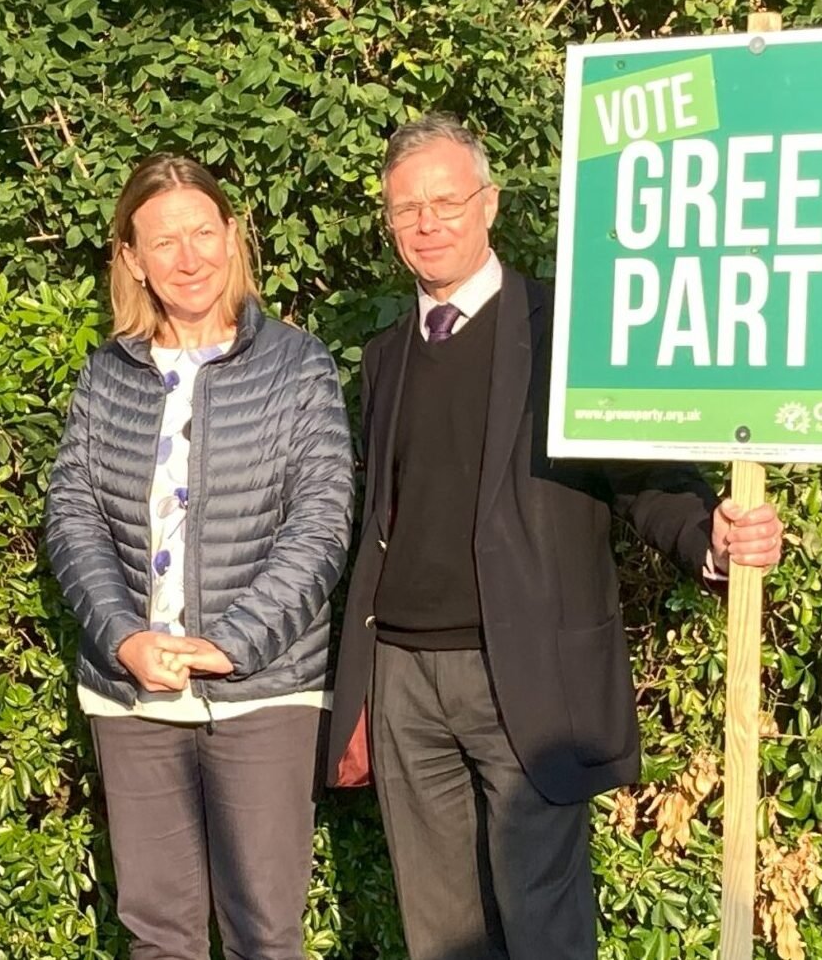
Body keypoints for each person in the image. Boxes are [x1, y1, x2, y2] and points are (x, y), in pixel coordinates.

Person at [324, 112, 784, 960]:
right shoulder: (385, 355)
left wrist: (709, 537)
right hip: (405, 682)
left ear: (489, 203)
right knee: (441, 933)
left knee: (543, 929)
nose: (427, 223)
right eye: (405, 209)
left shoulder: (567, 331)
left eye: (446, 201)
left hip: (526, 677)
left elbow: (643, 476)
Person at [45, 153, 354, 959]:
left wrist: (234, 641)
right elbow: (72, 516)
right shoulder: (106, 375)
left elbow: (322, 521)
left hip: (263, 691)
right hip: (134, 692)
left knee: (264, 931)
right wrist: (121, 636)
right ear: (132, 260)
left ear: (231, 236)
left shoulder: (297, 364)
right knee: (157, 933)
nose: (188, 258)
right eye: (164, 241)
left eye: (203, 232)